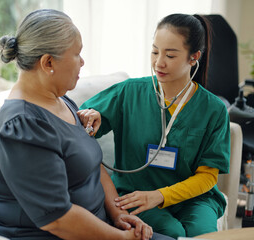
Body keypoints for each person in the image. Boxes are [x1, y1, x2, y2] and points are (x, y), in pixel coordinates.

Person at [0, 9, 174, 240]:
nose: (82, 62)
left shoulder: (61, 100)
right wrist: (121, 238)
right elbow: (58, 219)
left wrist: (118, 213)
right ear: (48, 62)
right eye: (77, 54)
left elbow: (94, 166)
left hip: (99, 226)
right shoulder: (22, 127)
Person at [78, 13, 230, 238]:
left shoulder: (213, 109)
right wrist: (90, 116)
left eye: (170, 55)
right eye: (155, 51)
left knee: (202, 234)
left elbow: (208, 176)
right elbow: (78, 121)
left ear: (193, 57)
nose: (159, 62)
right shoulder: (129, 93)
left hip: (193, 199)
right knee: (171, 231)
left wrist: (159, 195)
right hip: (135, 193)